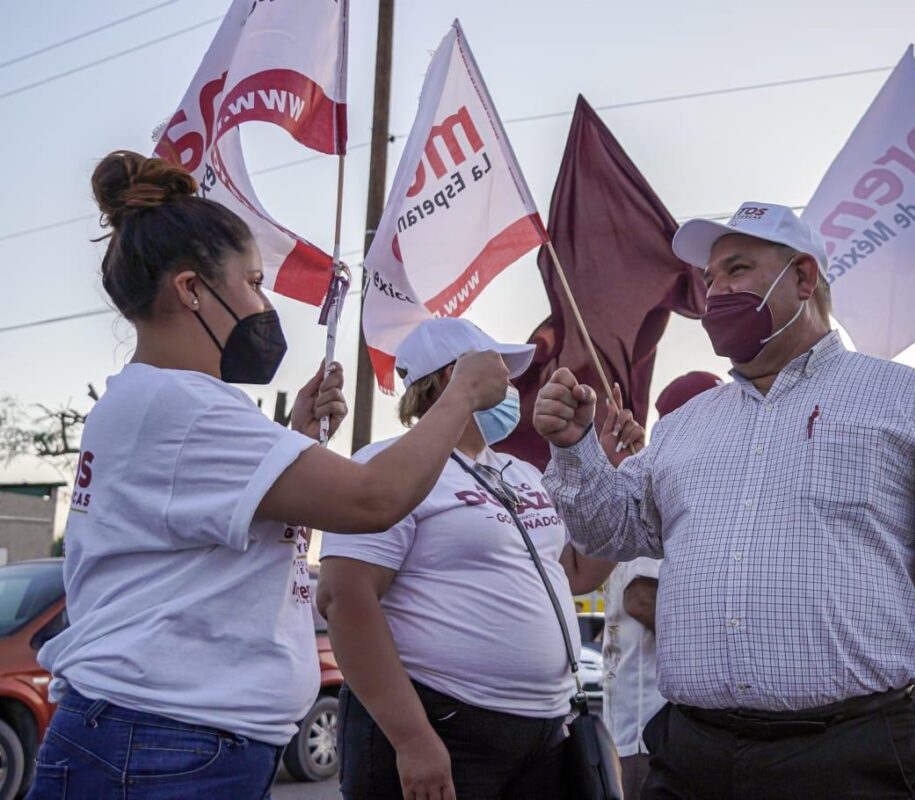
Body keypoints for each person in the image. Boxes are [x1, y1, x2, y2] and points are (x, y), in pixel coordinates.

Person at [27, 152, 511, 800]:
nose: (262, 303)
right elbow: (375, 498)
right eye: (252, 282)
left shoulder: (158, 402)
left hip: (162, 743)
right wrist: (460, 392)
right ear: (191, 289)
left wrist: (294, 441)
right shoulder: (183, 407)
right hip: (158, 749)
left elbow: (212, 537)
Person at [533, 201, 915, 800]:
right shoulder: (685, 426)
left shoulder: (907, 403)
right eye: (711, 277)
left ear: (802, 278)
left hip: (851, 757)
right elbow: (607, 533)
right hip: (693, 756)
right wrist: (575, 449)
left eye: (737, 268)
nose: (717, 290)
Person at [316, 317, 644, 800]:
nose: (511, 387)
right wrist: (413, 739)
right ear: (453, 376)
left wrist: (612, 472)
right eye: (500, 373)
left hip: (545, 733)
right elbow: (345, 599)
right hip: (445, 726)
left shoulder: (522, 473)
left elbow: (575, 573)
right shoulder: (384, 466)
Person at [602, 370, 723, 798]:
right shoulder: (657, 492)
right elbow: (641, 599)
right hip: (648, 727)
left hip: (684, 725)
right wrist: (730, 637)